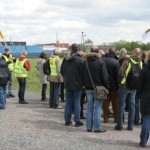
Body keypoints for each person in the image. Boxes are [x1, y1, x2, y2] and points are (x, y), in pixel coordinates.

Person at [83, 45, 109, 132]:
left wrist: (84, 84)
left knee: (89, 107)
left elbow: (82, 76)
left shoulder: (85, 62)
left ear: (90, 51)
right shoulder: (100, 62)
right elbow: (105, 77)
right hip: (99, 89)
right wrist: (107, 88)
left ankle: (89, 127)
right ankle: (97, 127)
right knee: (97, 108)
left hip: (88, 88)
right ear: (98, 52)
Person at [115, 48, 142, 131]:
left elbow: (120, 72)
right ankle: (130, 126)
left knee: (121, 106)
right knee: (132, 106)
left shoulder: (127, 61)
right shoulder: (140, 62)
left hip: (124, 86)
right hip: (134, 87)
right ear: (139, 54)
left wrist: (119, 82)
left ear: (133, 52)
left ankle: (120, 125)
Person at [61, 43, 84, 127]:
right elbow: (83, 73)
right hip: (78, 83)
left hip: (67, 83)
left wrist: (66, 78)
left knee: (68, 102)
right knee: (77, 102)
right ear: (78, 50)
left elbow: (62, 70)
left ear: (70, 49)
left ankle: (67, 120)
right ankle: (77, 121)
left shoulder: (65, 59)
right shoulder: (80, 60)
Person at [102, 49, 120, 123]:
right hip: (114, 87)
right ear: (114, 54)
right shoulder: (116, 62)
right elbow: (118, 76)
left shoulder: (102, 60)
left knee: (105, 103)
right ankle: (116, 118)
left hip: (104, 85)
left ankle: (105, 118)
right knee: (115, 103)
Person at [139, 50, 150, 148]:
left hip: (146, 96)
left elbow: (140, 86)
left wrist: (139, 96)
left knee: (146, 119)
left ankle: (143, 141)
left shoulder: (144, 70)